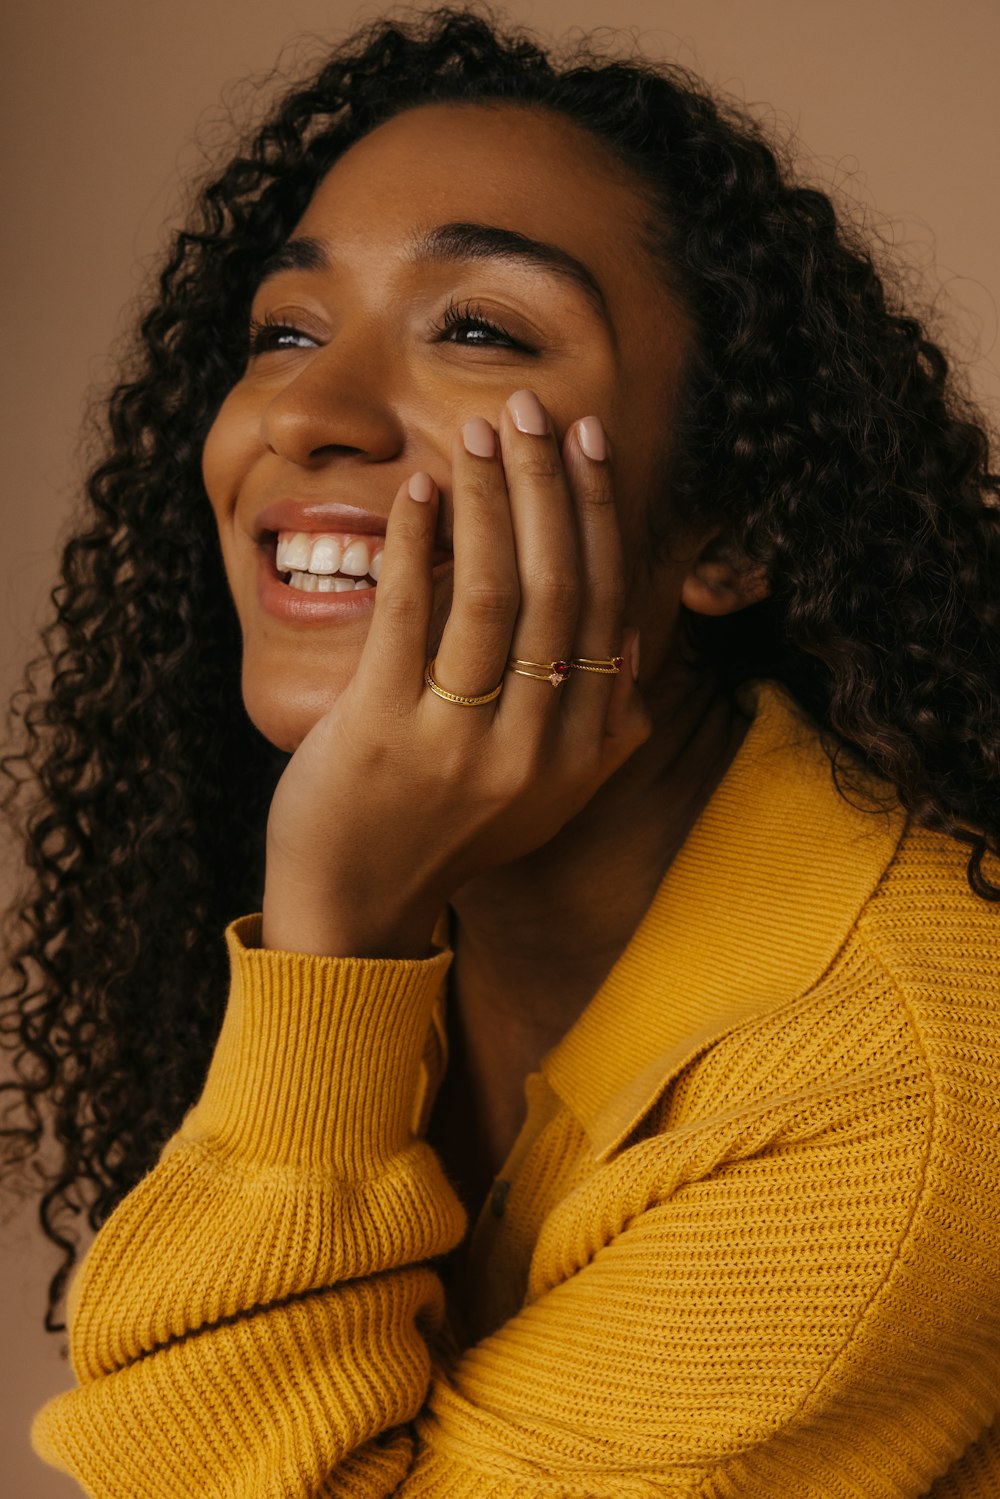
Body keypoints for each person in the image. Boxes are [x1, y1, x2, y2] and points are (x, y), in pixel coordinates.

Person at [4, 7, 999, 1495]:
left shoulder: (906, 1071)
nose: (309, 413)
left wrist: (334, 942)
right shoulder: (441, 910)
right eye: (285, 331)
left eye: (478, 329)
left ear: (733, 531)